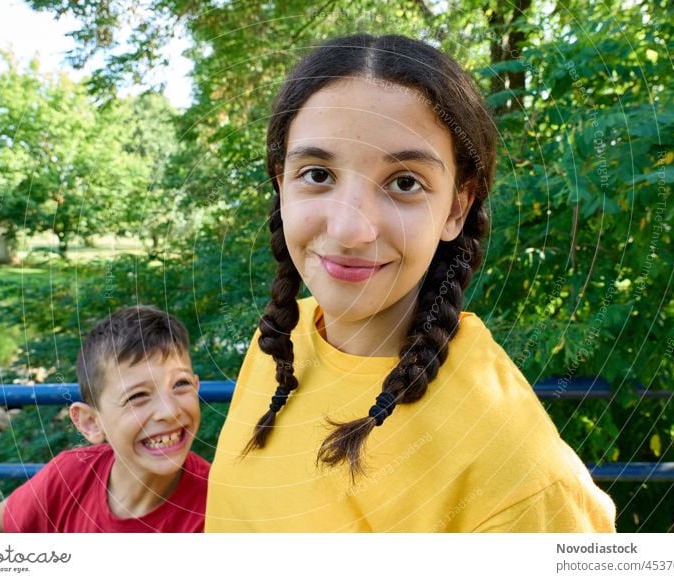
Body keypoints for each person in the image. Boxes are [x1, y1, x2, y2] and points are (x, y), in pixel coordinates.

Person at [205, 34, 616, 532]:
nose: (350, 229)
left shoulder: (517, 474)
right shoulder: (279, 343)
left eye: (404, 183)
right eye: (317, 174)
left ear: (456, 208)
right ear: (281, 182)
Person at [0, 306, 209, 533]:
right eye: (138, 396)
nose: (169, 411)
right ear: (90, 422)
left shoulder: (219, 507)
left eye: (181, 384)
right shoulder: (69, 477)